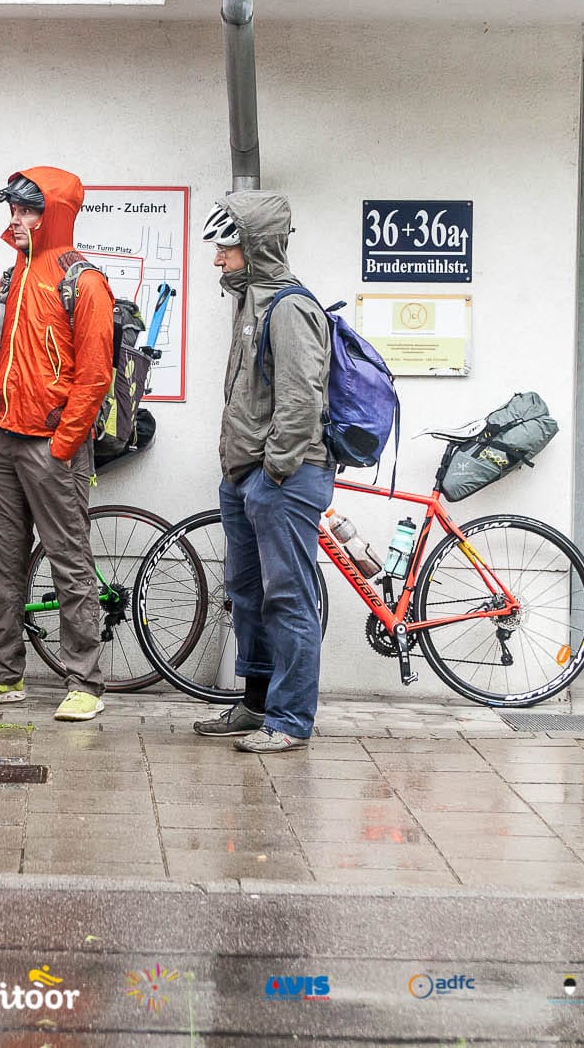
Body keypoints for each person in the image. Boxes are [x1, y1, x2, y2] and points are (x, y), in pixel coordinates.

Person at [0, 168, 115, 722]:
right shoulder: (10, 279)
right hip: (0, 441)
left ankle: (84, 682)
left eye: (28, 210)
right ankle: (3, 675)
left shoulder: (84, 282)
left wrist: (63, 444)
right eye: (13, 209)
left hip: (51, 445)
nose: (16, 219)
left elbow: (95, 375)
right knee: (2, 566)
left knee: (69, 564)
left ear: (55, 214)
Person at [193, 191, 332, 753]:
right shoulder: (250, 301)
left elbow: (302, 399)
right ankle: (255, 706)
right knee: (248, 596)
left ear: (254, 247)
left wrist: (273, 471)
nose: (217, 258)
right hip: (246, 476)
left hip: (283, 480)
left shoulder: (291, 308)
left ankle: (291, 720)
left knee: (288, 599)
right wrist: (239, 475)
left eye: (225, 248)